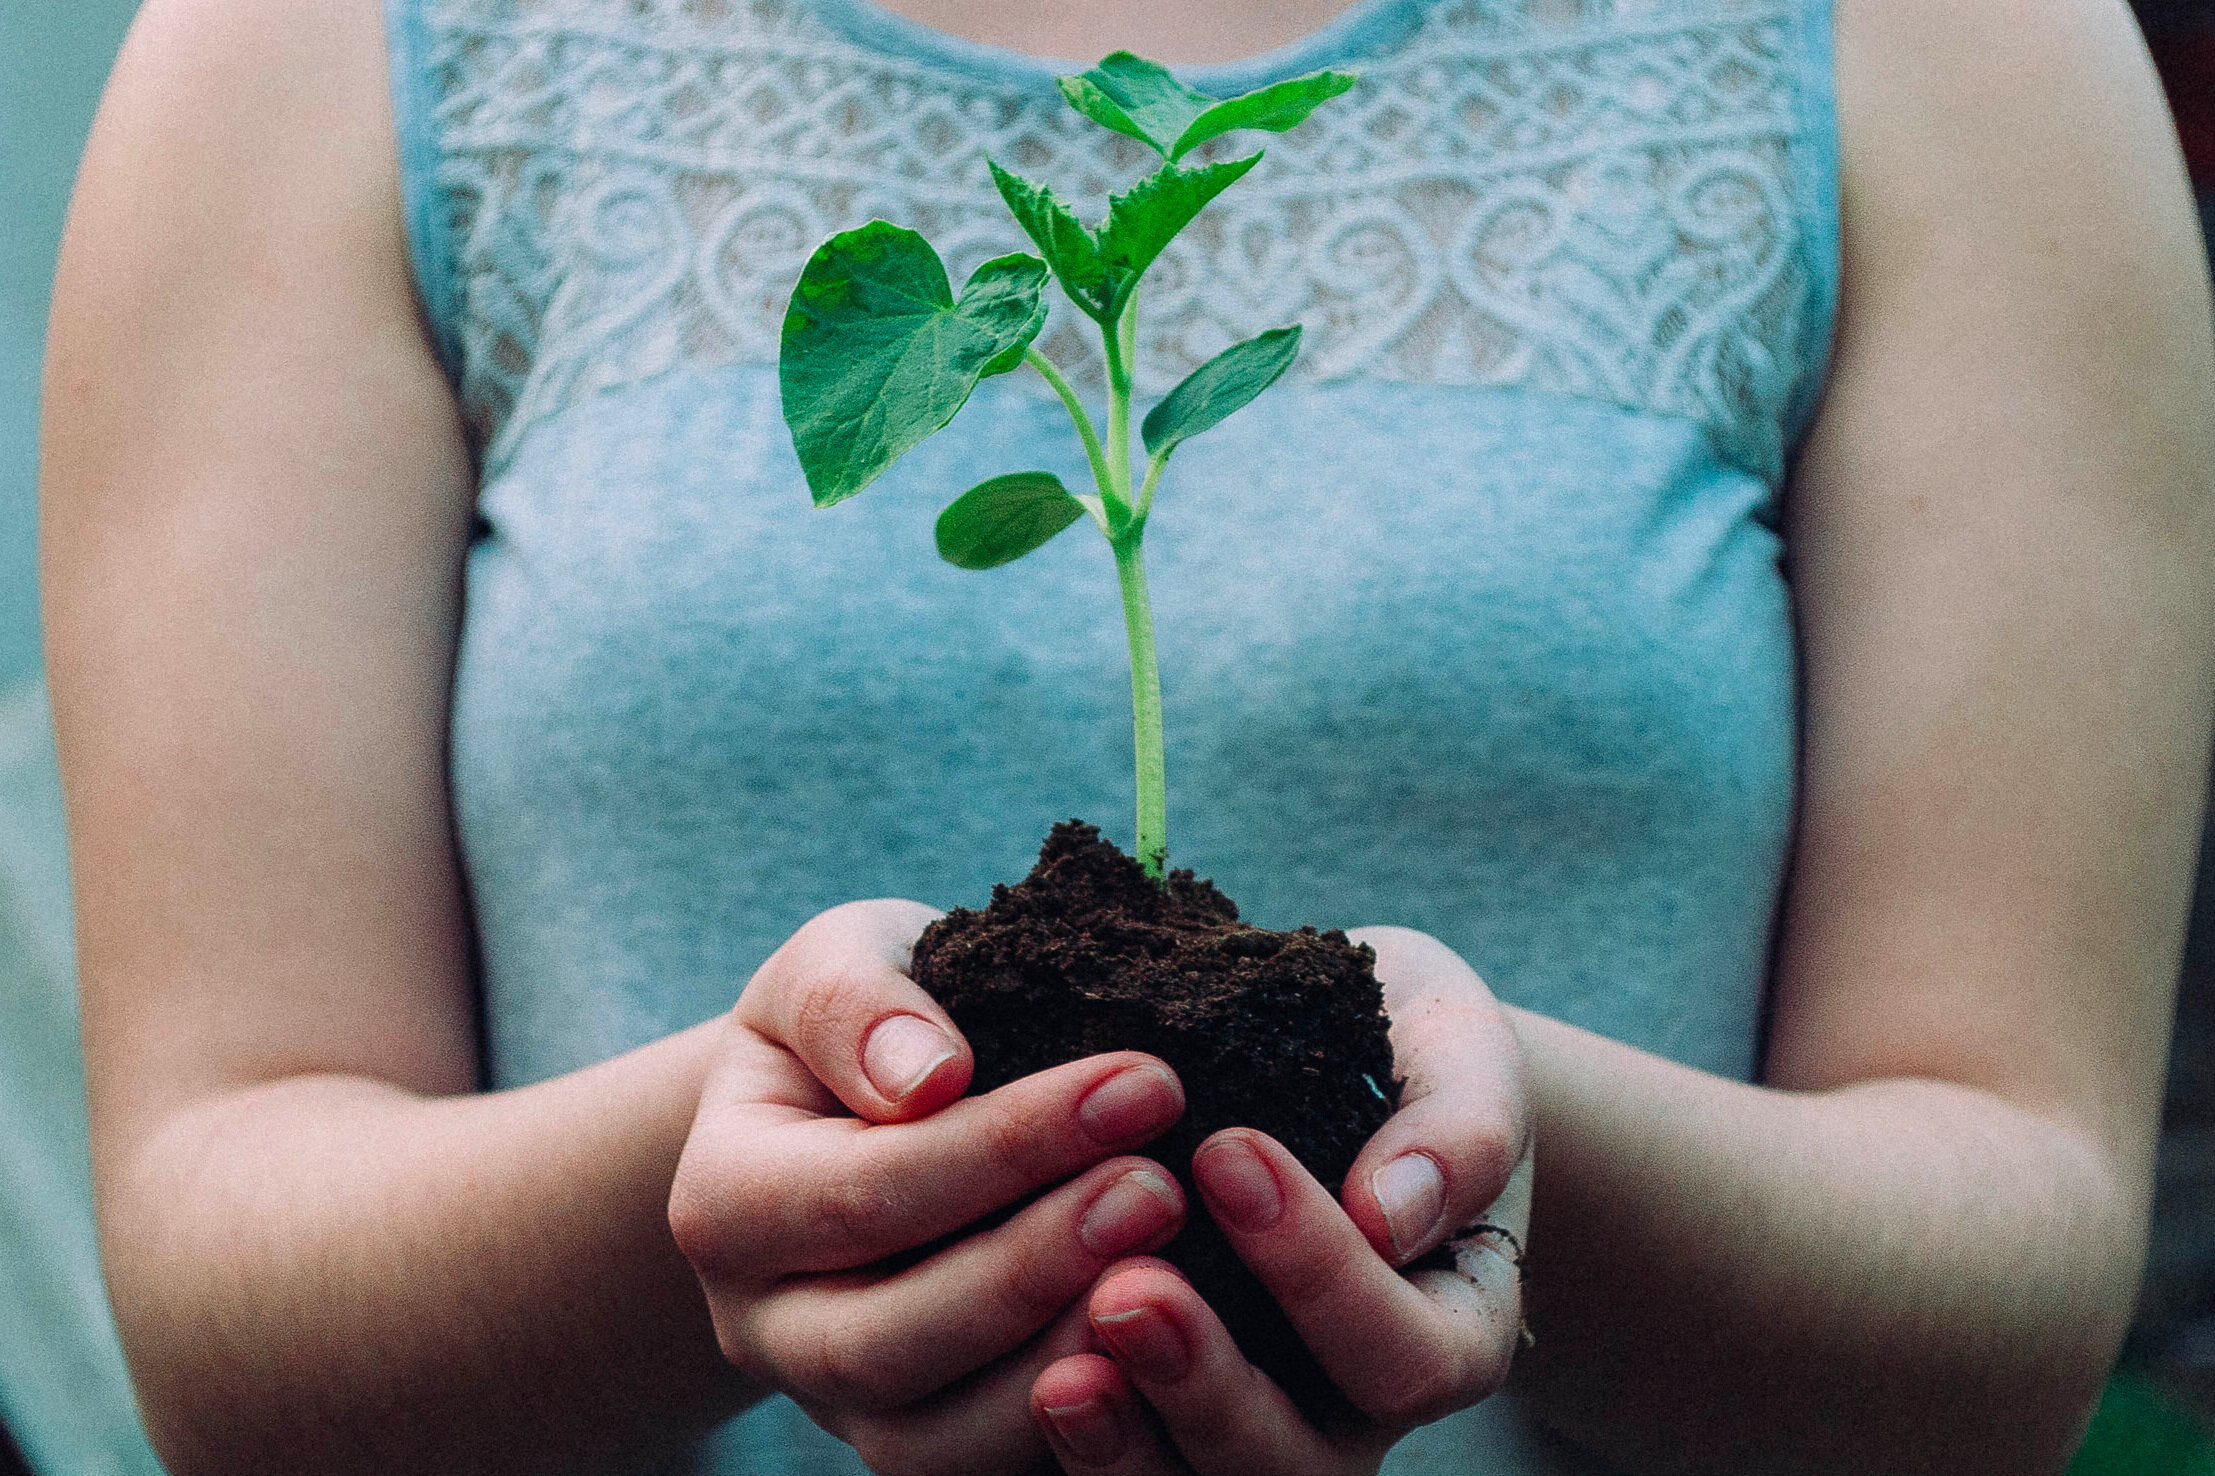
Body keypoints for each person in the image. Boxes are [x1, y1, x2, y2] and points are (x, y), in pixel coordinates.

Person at [34, 0, 2215, 1470]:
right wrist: (737, 1175)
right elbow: (224, 1301)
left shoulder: (1952, 45)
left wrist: (1510, 1136)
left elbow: (2010, 1273)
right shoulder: (318, 46)